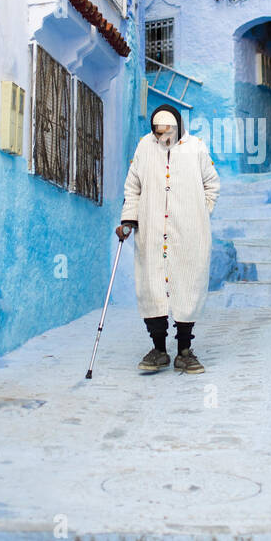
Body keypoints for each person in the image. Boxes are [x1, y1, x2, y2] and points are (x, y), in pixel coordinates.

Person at [116, 105, 220, 373]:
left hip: (189, 233)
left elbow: (212, 184)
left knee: (188, 286)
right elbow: (133, 186)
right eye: (158, 132)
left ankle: (185, 351)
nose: (164, 137)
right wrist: (128, 220)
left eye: (168, 131)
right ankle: (159, 350)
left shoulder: (196, 147)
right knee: (152, 288)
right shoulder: (144, 147)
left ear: (178, 127)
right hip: (151, 231)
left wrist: (200, 212)